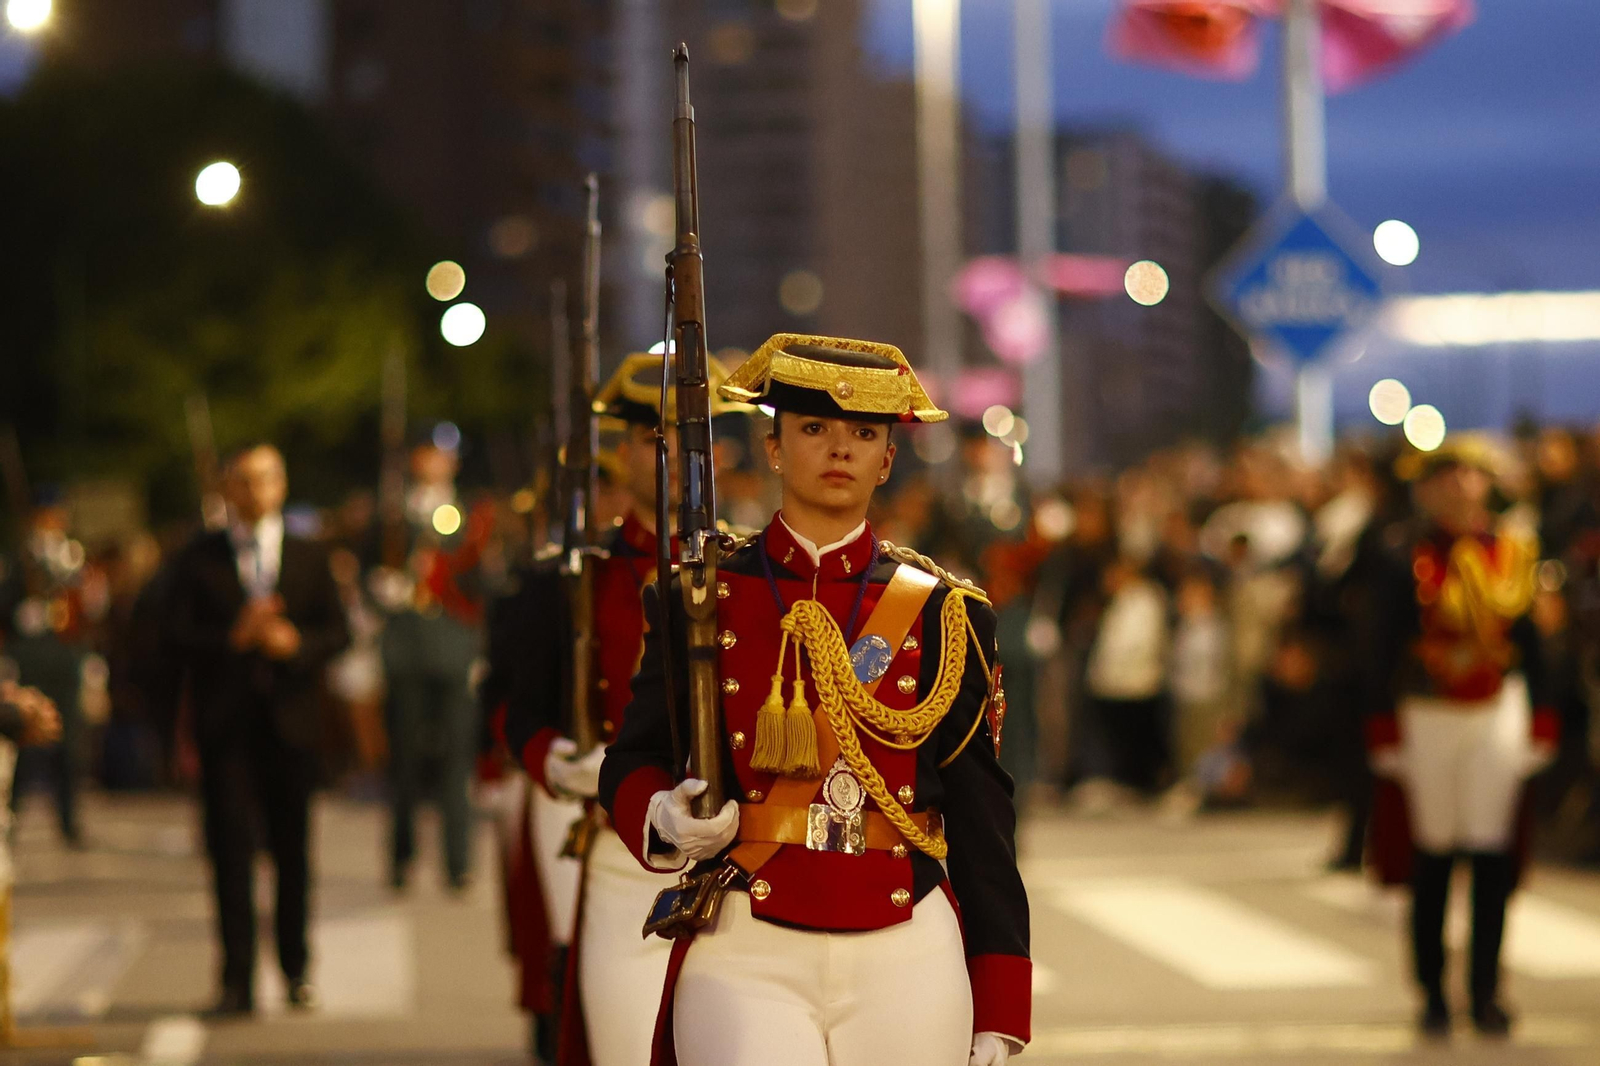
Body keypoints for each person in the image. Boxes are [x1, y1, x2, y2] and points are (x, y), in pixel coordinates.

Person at [600, 335, 1031, 1066]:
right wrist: (661, 814)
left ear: (886, 460)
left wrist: (999, 996)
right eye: (813, 428)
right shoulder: (701, 597)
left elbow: (980, 809)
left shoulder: (945, 613)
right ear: (773, 449)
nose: (839, 449)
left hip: (907, 940)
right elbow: (634, 758)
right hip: (745, 933)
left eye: (863, 433)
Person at [496, 353, 746, 1066]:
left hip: (730, 857)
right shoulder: (573, 578)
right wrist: (556, 762)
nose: (677, 458)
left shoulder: (747, 576)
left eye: (693, 438)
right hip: (619, 841)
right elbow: (517, 712)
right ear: (625, 450)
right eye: (653, 439)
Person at [1364, 438, 1555, 1038]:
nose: (1460, 486)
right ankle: (1431, 992)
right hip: (1428, 711)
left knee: (1491, 850)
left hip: (1496, 707)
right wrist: (1380, 722)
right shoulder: (1404, 554)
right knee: (1434, 851)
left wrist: (1545, 715)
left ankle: (1486, 990)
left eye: (1472, 474)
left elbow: (1534, 643)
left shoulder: (1514, 552)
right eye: (1446, 475)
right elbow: (1378, 644)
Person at [166, 442, 349, 1016]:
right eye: (244, 480)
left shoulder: (310, 553)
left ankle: (296, 968)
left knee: (293, 852)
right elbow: (170, 636)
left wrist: (296, 645)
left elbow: (338, 632)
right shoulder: (199, 555)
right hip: (227, 727)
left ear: (282, 484)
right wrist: (234, 639)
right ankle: (236, 978)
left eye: (267, 477)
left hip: (293, 724)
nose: (256, 490)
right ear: (227, 488)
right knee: (230, 853)